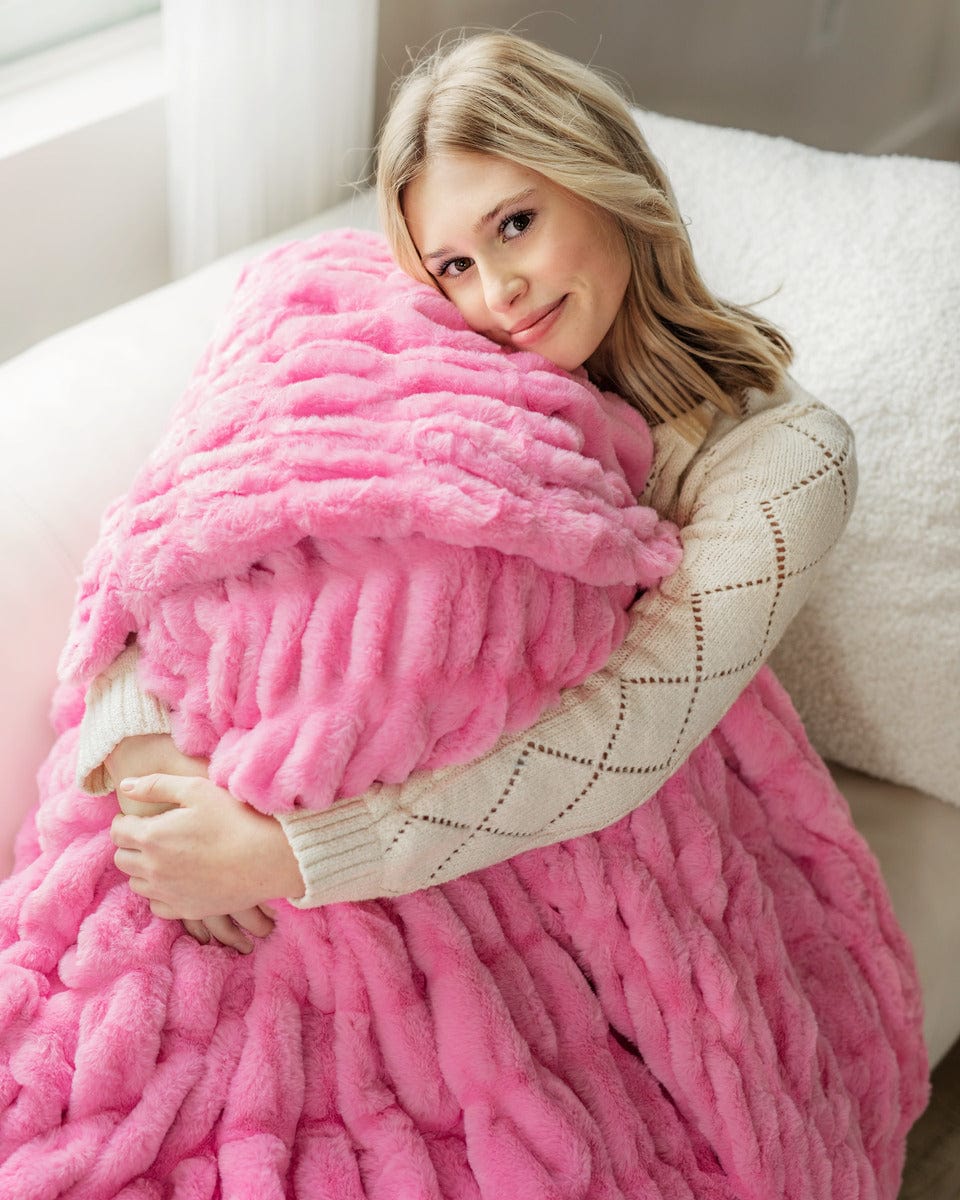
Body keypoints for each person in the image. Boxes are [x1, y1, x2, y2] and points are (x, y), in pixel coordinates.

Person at [3, 31, 925, 1199]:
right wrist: (147, 766)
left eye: (517, 225)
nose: (500, 294)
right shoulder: (413, 358)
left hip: (529, 833)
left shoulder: (785, 454)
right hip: (225, 795)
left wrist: (286, 855)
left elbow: (630, 728)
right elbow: (180, 549)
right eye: (449, 265)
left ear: (601, 178)